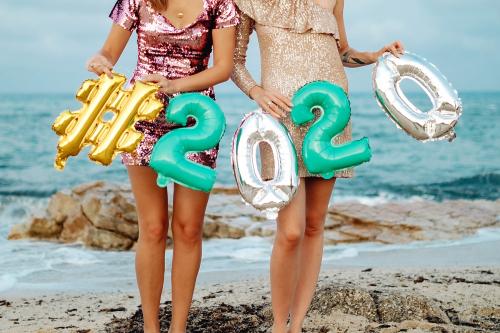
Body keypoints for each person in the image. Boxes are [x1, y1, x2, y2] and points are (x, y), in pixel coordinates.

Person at [231, 0, 404, 332]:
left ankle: (296, 326)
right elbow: (235, 63)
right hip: (282, 120)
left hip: (330, 117)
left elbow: (341, 52)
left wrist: (373, 56)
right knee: (291, 231)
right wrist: (257, 92)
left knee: (313, 224)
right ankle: (279, 326)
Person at [86, 1, 238, 332]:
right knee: (153, 227)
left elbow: (223, 68)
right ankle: (151, 327)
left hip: (196, 122)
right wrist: (101, 62)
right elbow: (108, 52)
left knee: (187, 228)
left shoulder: (220, 3)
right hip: (143, 118)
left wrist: (173, 85)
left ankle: (178, 328)